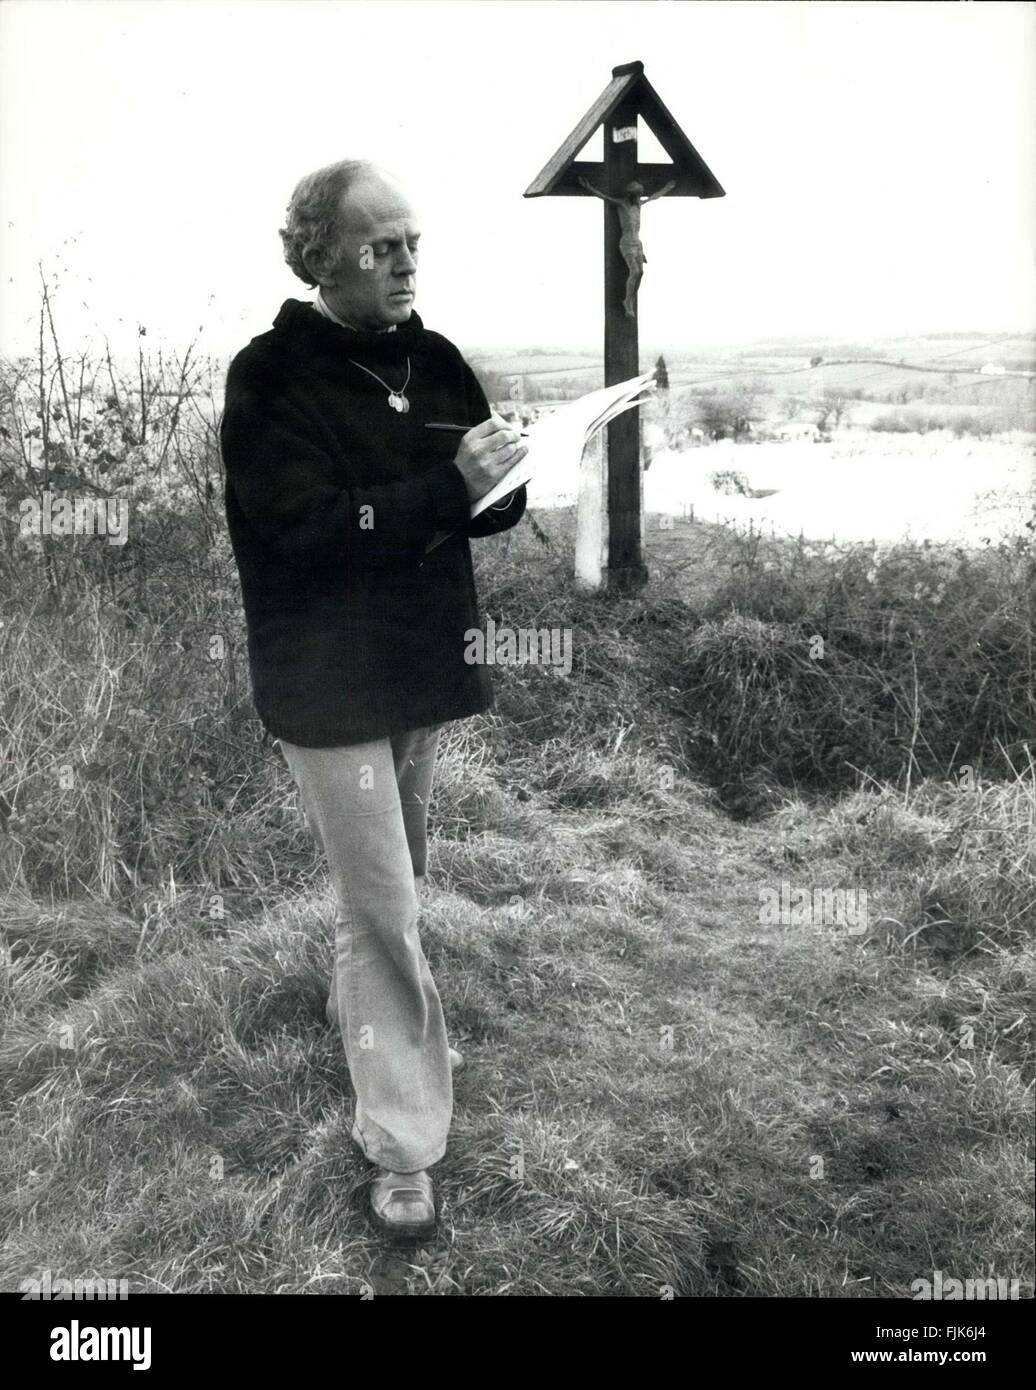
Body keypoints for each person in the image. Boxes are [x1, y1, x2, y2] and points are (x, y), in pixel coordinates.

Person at [219, 160, 527, 1239]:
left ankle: (377, 1019)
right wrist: (443, 489)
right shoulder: (269, 377)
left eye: (411, 243)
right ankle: (402, 1142)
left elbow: (484, 510)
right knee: (383, 903)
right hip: (327, 681)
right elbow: (304, 526)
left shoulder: (432, 358)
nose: (404, 262)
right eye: (379, 245)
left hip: (418, 663)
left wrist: (500, 474)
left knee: (397, 881)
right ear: (320, 256)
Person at [577, 175, 676, 317]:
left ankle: (629, 300)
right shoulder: (622, 204)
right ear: (632, 194)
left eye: (640, 194)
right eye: (638, 193)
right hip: (627, 243)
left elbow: (654, 197)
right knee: (635, 272)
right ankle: (627, 302)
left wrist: (667, 188)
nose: (640, 196)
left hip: (638, 243)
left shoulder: (638, 205)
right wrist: (588, 187)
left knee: (641, 273)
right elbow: (603, 196)